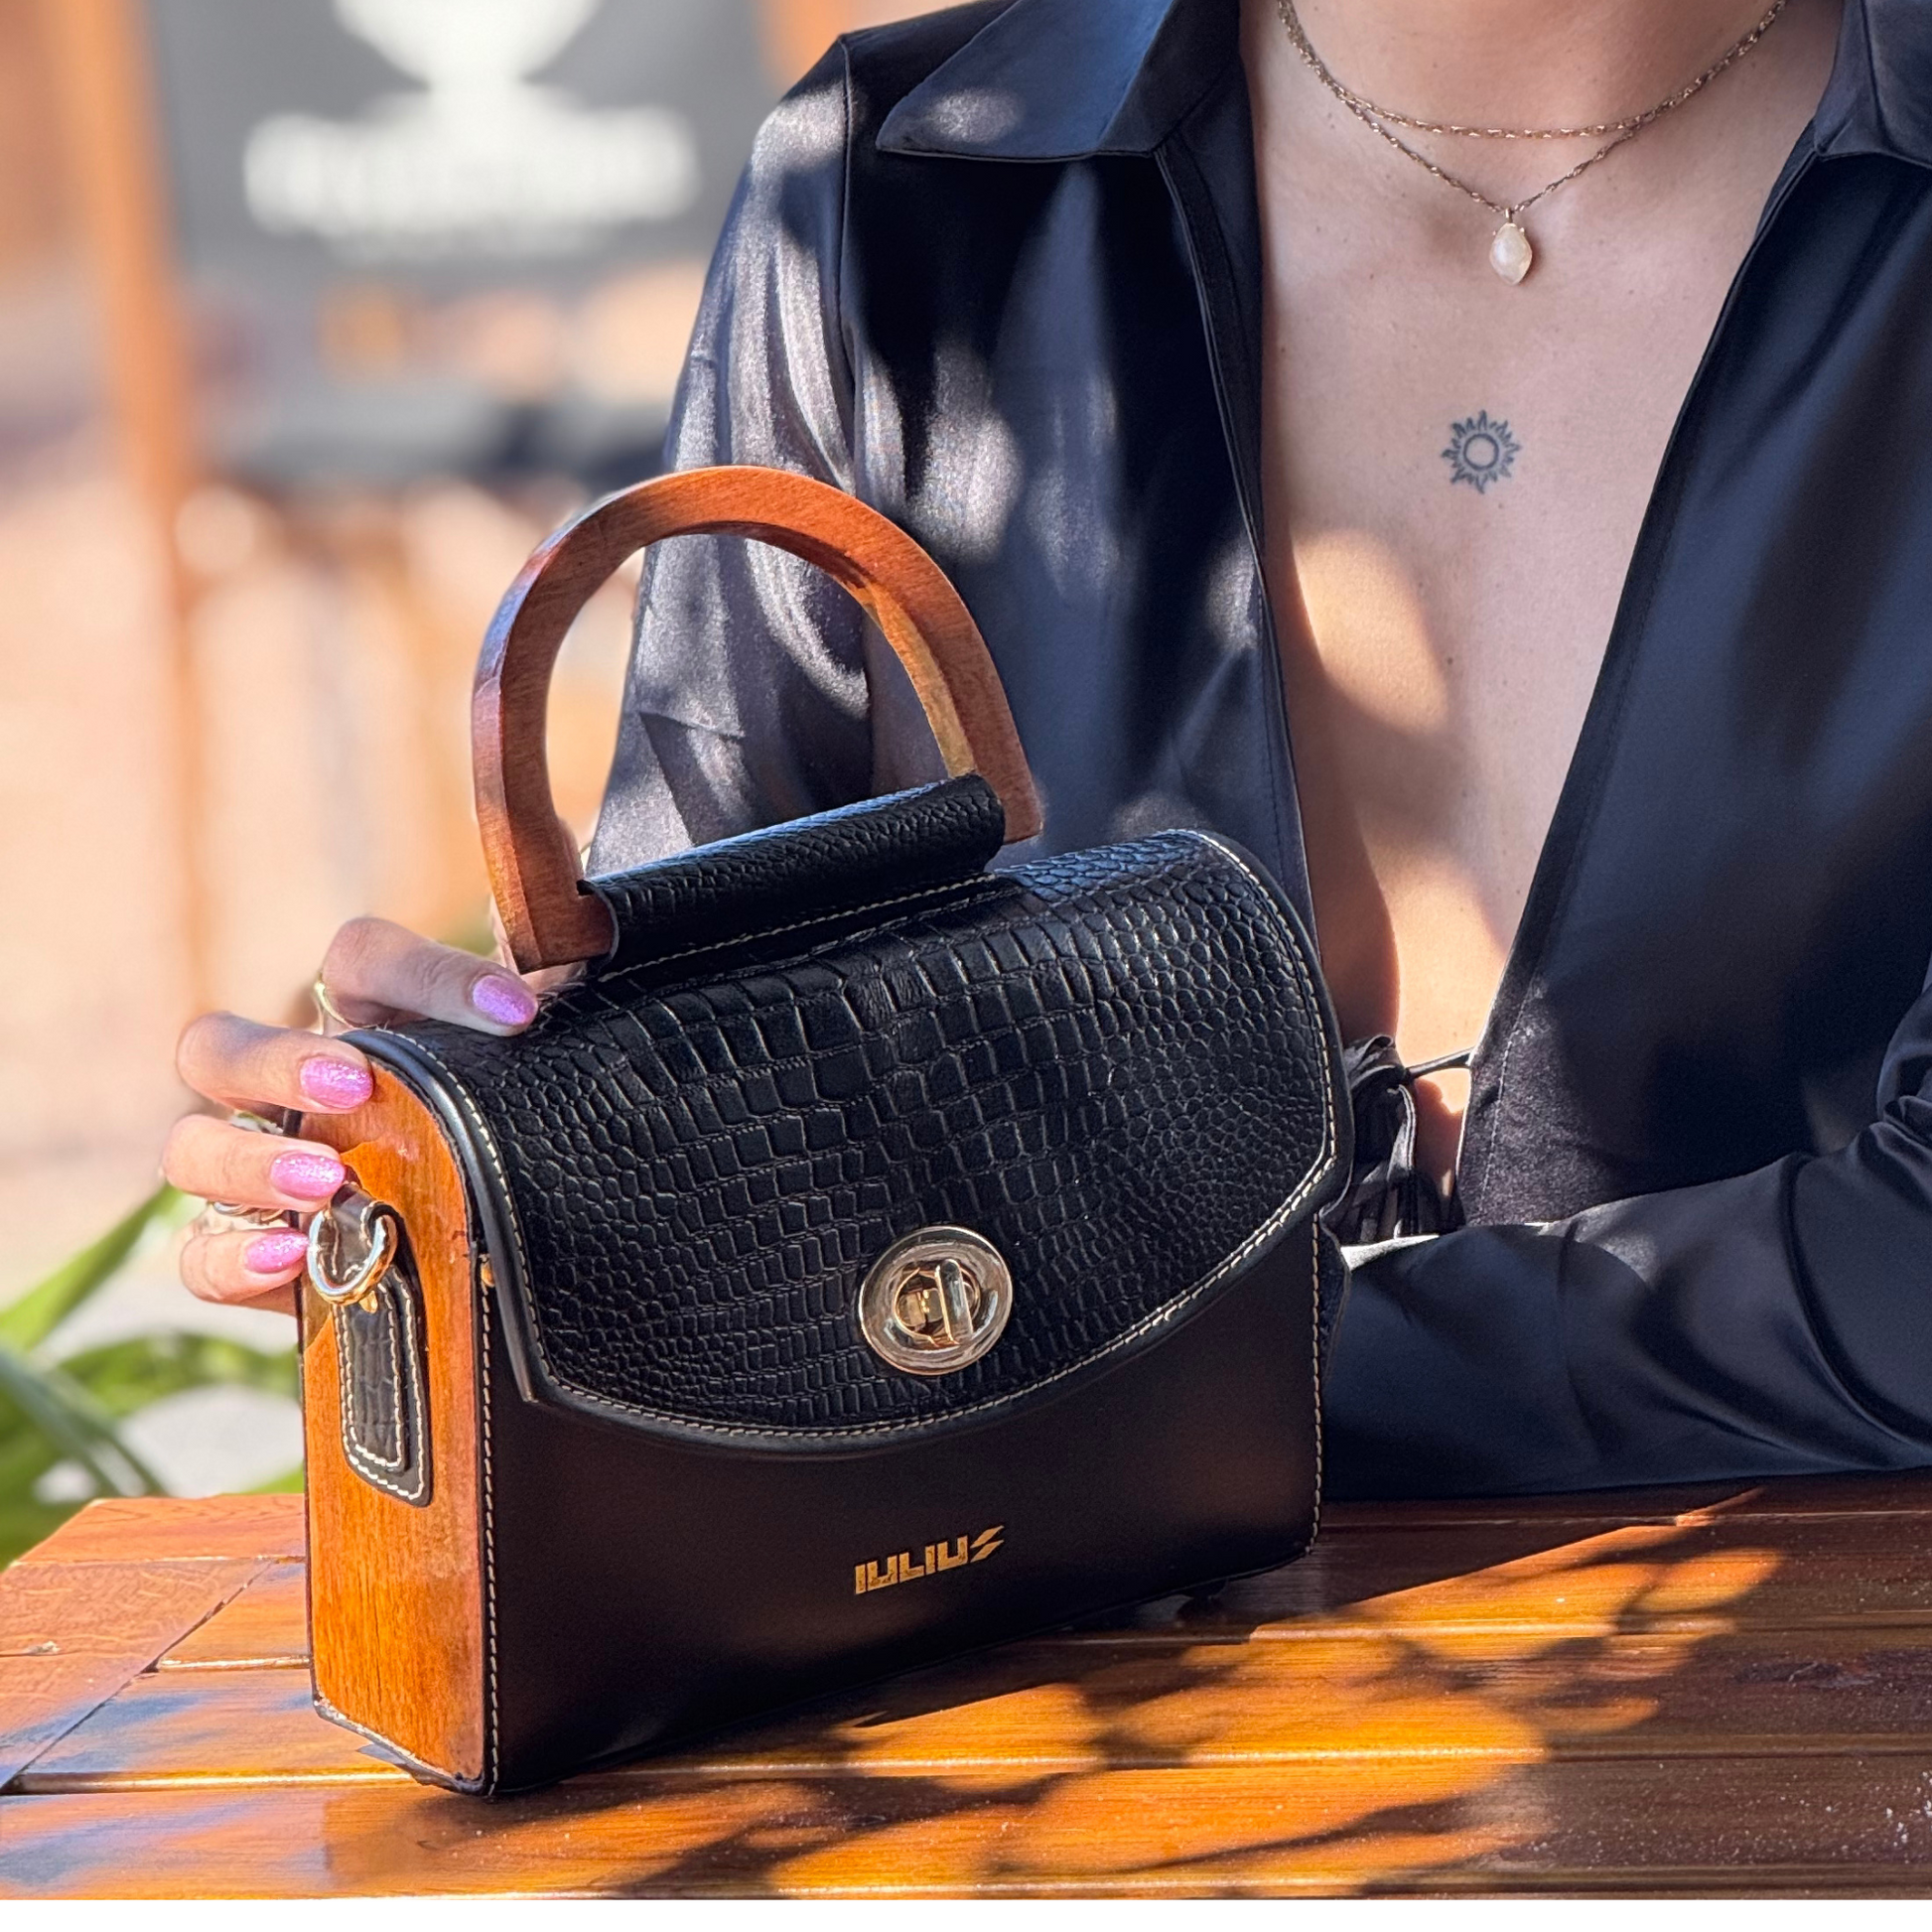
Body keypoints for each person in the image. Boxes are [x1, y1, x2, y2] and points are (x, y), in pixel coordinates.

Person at [166, 0, 1932, 1497]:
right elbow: (717, 1113)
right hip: (1028, 1763)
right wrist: (481, 1183)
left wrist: (1077, 1365)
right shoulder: (892, 195)